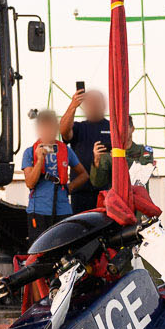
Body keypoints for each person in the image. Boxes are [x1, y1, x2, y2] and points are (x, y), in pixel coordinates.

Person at [20, 110, 88, 243]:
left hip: (63, 209)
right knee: (39, 249)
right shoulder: (29, 153)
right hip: (38, 210)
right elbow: (30, 183)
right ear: (39, 129)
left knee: (64, 248)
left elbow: (83, 174)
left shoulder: (66, 150)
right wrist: (40, 160)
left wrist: (70, 187)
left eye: (51, 127)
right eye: (45, 128)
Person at [61, 87, 113, 215]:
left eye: (96, 102)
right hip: (81, 192)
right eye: (89, 102)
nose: (93, 105)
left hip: (106, 192)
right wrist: (73, 106)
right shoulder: (79, 127)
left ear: (103, 105)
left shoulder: (113, 127)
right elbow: (64, 132)